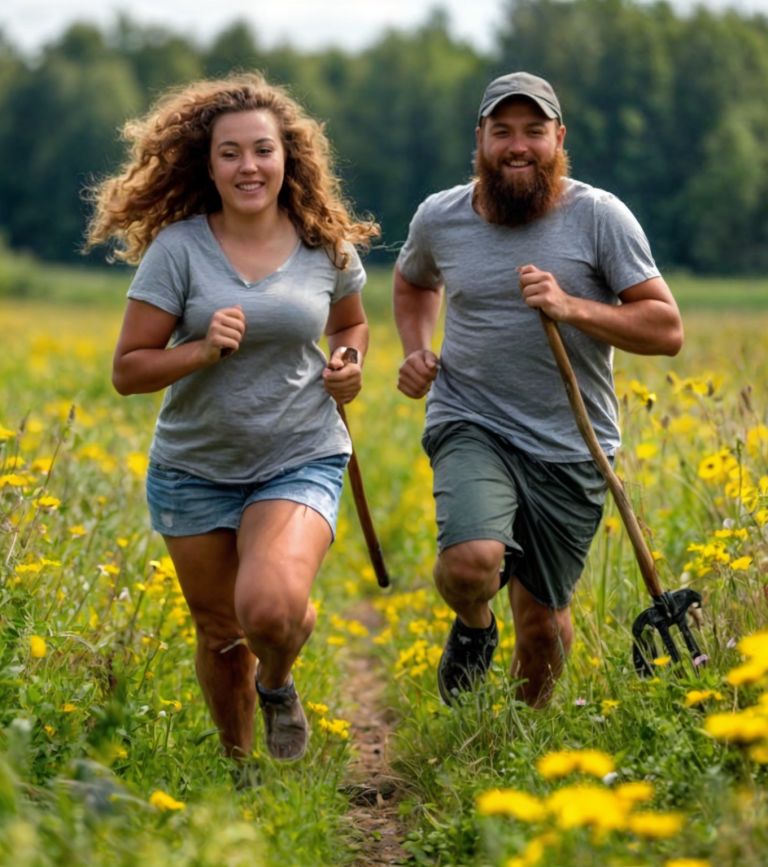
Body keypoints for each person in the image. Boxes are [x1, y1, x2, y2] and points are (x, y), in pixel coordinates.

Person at [86, 73, 379, 762]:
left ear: (288, 157)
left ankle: (276, 683)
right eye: (230, 153)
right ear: (207, 164)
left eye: (263, 149)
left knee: (271, 609)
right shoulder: (179, 250)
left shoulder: (325, 244)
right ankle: (241, 771)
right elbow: (128, 369)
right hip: (194, 468)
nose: (248, 165)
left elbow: (354, 322)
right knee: (221, 630)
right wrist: (199, 350)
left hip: (299, 452)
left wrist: (348, 362)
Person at [394, 71, 683, 708]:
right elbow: (414, 282)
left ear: (559, 137)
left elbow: (666, 329)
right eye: (503, 132)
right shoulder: (440, 217)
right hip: (472, 418)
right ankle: (474, 628)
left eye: (533, 131)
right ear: (480, 139)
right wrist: (418, 347)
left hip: (573, 443)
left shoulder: (600, 217)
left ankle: (522, 739)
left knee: (544, 627)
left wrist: (572, 307)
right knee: (472, 561)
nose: (517, 145)